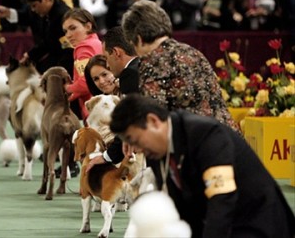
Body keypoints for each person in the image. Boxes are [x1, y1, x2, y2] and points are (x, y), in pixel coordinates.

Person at [110, 93, 295, 238]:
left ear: (153, 121)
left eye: (134, 140)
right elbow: (182, 210)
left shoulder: (206, 134)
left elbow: (222, 199)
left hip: (257, 222)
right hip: (222, 221)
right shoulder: (157, 152)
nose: (137, 150)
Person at [121, 0, 239, 131]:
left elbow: (156, 122)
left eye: (133, 46)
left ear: (139, 39)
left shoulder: (151, 63)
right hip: (230, 139)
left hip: (199, 145)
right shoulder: (193, 52)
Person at [85, 26, 140, 170]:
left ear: (116, 53)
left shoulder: (130, 74)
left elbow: (129, 122)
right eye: (96, 78)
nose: (108, 64)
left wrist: (107, 157)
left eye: (107, 58)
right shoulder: (145, 64)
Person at [62, 8, 102, 121]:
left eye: (73, 28)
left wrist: (67, 89)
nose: (68, 35)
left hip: (92, 110)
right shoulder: (97, 43)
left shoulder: (83, 48)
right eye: (65, 31)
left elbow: (86, 83)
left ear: (88, 27)